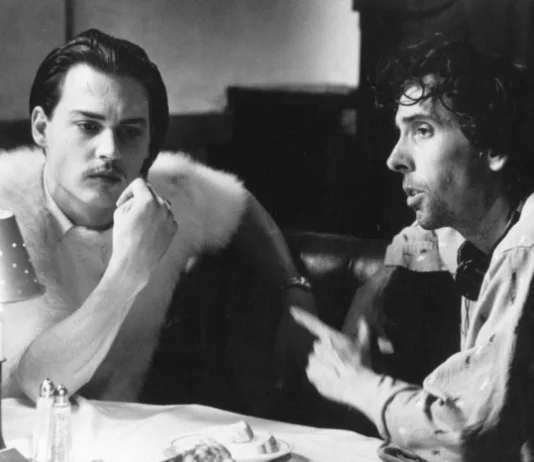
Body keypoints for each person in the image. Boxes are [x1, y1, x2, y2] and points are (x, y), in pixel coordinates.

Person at [1, 28, 315, 404]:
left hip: (124, 427)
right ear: (42, 128)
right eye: (88, 126)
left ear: (150, 143)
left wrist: (295, 290)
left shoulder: (169, 193)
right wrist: (129, 269)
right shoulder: (5, 210)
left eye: (130, 132)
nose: (109, 150)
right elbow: (40, 382)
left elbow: (241, 204)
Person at [291, 35, 534, 461]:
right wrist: (373, 295)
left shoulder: (524, 245)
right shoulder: (466, 229)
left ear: (494, 147)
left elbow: (468, 436)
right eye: (400, 132)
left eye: (422, 130)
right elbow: (414, 243)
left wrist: (356, 383)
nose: (395, 158)